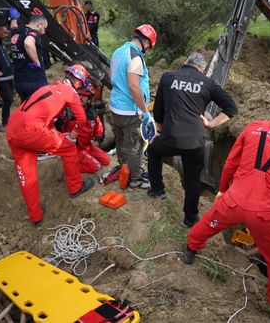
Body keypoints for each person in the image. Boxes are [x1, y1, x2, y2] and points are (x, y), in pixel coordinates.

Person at [182, 89, 270, 323]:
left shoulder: (253, 127)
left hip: (234, 200)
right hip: (266, 214)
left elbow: (231, 162)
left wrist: (223, 190)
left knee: (207, 224)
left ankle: (190, 250)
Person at [147, 52, 238, 228]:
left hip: (170, 137)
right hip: (195, 142)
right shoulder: (208, 83)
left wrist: (159, 133)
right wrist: (211, 124)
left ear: (185, 62)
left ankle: (158, 190)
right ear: (202, 69)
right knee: (192, 179)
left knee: (153, 151)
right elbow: (231, 108)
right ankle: (190, 219)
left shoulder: (168, 77)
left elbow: (158, 110)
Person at [5, 76, 95, 226]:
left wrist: (56, 135)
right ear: (78, 84)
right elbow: (81, 119)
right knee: (69, 147)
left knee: (26, 175)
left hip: (12, 130)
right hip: (32, 130)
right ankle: (75, 187)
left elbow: (46, 119)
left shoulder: (47, 88)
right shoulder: (69, 92)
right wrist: (72, 136)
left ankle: (35, 216)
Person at [109, 24, 157, 189]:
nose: (148, 50)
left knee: (121, 139)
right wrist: (145, 112)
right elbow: (133, 86)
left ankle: (124, 167)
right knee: (134, 146)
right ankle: (135, 180)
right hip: (129, 109)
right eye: (149, 47)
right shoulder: (135, 57)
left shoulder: (118, 52)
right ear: (146, 42)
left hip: (116, 106)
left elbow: (114, 77)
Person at [61, 65, 110, 173]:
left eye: (84, 96)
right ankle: (68, 168)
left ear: (89, 98)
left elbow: (99, 129)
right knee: (95, 166)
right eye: (79, 95)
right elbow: (59, 129)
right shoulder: (69, 111)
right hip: (74, 149)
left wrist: (97, 139)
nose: (81, 98)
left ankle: (81, 159)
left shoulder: (93, 113)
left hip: (88, 146)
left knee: (106, 161)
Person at [10, 13, 49, 102]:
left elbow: (13, 27)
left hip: (19, 81)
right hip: (34, 80)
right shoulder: (33, 33)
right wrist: (37, 63)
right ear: (38, 25)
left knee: (26, 107)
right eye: (44, 28)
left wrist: (14, 18)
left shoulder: (16, 32)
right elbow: (28, 42)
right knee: (41, 108)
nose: (44, 32)